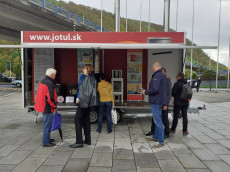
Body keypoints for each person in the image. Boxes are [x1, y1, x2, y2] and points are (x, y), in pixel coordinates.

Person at [69, 64, 98, 148]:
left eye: (84, 69)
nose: (83, 70)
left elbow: (83, 91)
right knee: (86, 120)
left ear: (88, 70)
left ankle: (79, 142)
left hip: (84, 103)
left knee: (77, 120)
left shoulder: (85, 78)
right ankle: (88, 140)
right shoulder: (93, 78)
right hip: (90, 103)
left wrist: (79, 100)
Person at [142, 62, 168, 149]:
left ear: (155, 67)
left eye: (152, 67)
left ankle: (161, 141)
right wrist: (165, 103)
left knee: (158, 122)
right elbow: (164, 91)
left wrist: (145, 92)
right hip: (160, 101)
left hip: (156, 101)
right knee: (158, 120)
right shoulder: (163, 75)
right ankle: (155, 137)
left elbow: (155, 89)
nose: (152, 69)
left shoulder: (157, 76)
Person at [145, 68, 172, 138]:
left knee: (164, 119)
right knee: (154, 118)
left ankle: (166, 133)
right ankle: (153, 131)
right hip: (157, 102)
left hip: (163, 103)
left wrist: (166, 104)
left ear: (165, 73)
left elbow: (168, 94)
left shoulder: (167, 82)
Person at [34, 68, 57, 147]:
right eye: (55, 75)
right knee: (47, 125)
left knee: (46, 124)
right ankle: (46, 142)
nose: (55, 76)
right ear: (52, 75)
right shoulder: (49, 83)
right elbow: (50, 98)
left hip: (42, 105)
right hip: (47, 107)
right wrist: (54, 106)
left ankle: (46, 138)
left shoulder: (43, 81)